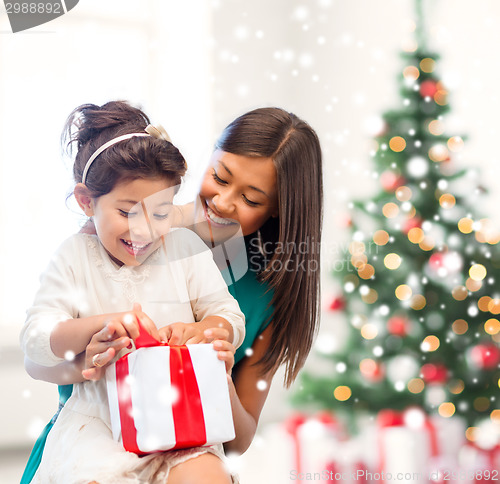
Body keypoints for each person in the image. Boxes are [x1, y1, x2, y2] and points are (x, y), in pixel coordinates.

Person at [22, 106, 323, 481]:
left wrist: (213, 361)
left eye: (252, 199)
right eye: (220, 176)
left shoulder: (262, 290)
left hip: (186, 440)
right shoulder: (110, 232)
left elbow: (238, 438)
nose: (224, 202)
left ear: (279, 208)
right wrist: (94, 355)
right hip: (92, 438)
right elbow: (36, 356)